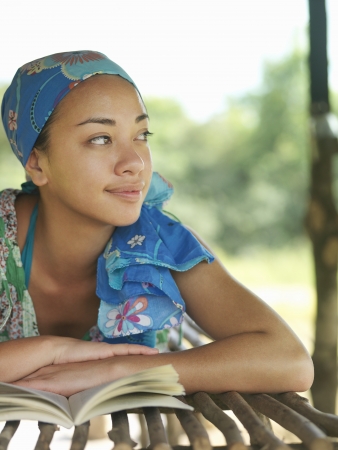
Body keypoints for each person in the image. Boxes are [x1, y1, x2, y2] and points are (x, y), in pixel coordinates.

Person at [0, 50, 313, 398]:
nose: (135, 162)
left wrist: (116, 369)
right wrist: (53, 351)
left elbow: (291, 361)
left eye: (142, 135)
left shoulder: (161, 247)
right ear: (37, 164)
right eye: (100, 138)